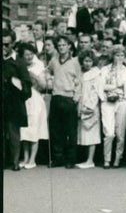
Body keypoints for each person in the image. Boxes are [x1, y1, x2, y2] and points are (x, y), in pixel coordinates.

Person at [47, 35, 82, 168]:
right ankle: (57, 158)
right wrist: (49, 80)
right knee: (56, 130)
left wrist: (75, 98)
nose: (61, 47)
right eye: (59, 45)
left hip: (69, 99)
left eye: (64, 45)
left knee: (70, 131)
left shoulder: (75, 62)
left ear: (69, 47)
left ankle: (70, 159)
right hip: (56, 98)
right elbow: (47, 72)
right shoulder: (54, 61)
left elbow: (79, 82)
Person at [4, 35, 32, 170]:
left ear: (12, 44)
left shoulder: (19, 62)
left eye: (6, 44)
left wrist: (18, 84)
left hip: (14, 103)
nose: (3, 47)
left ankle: (15, 162)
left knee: (13, 133)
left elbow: (27, 85)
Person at [100, 44, 126, 168]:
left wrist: (118, 86)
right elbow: (101, 86)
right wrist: (115, 86)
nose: (119, 58)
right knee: (109, 132)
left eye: (122, 55)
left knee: (120, 133)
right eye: (117, 55)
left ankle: (118, 158)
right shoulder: (105, 69)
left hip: (122, 102)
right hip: (107, 102)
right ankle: (107, 159)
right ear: (112, 56)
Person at [19, 42, 49, 169]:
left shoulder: (39, 66)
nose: (29, 56)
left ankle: (32, 159)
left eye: (31, 54)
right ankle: (25, 157)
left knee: (35, 128)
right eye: (26, 54)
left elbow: (43, 85)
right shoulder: (19, 66)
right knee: (25, 130)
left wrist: (33, 76)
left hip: (35, 98)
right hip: (23, 99)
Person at [75, 49, 104, 168]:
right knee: (84, 133)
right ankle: (86, 159)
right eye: (85, 61)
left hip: (90, 105)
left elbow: (96, 91)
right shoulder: (80, 73)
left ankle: (90, 160)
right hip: (81, 104)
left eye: (90, 61)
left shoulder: (96, 74)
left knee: (91, 132)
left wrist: (90, 106)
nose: (87, 63)